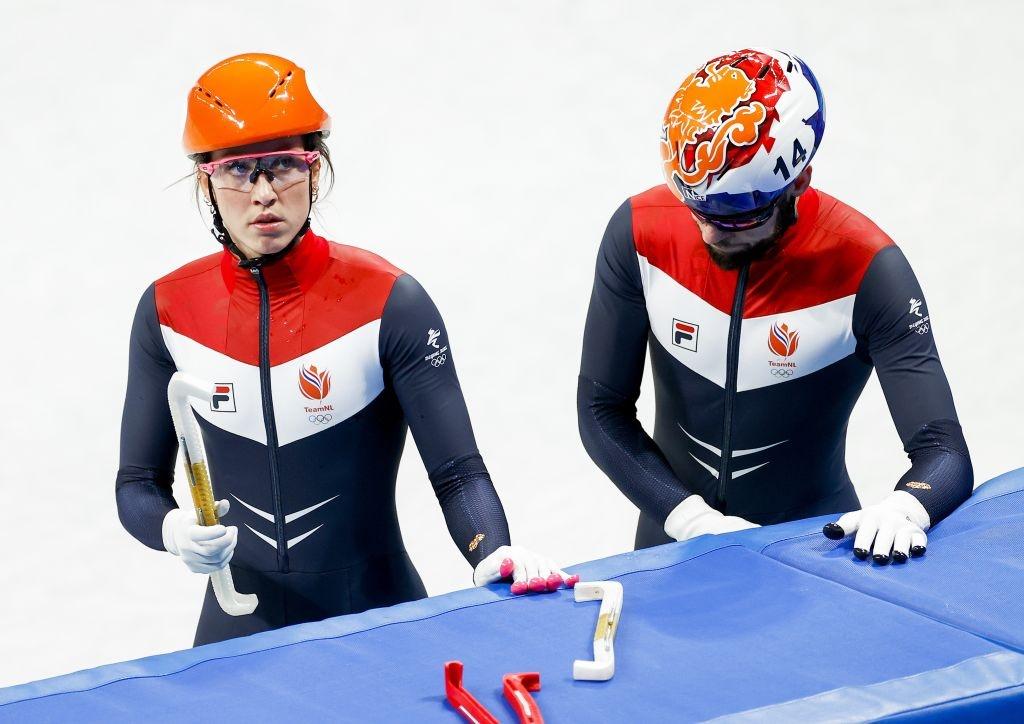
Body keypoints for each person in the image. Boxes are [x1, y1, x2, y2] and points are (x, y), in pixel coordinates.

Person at [116, 53, 572, 646]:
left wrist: (494, 551)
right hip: (238, 623)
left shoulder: (388, 302)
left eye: (283, 165)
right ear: (206, 180)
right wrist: (171, 528)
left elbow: (459, 474)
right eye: (238, 170)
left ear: (317, 166)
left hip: (376, 616)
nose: (263, 193)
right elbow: (135, 485)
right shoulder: (167, 311)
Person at [578, 48, 972, 565]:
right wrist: (694, 523)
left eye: (737, 217)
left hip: (809, 556)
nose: (709, 232)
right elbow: (600, 410)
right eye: (697, 209)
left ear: (798, 182)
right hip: (675, 544)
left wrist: (907, 506)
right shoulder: (640, 231)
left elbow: (943, 451)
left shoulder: (869, 268)